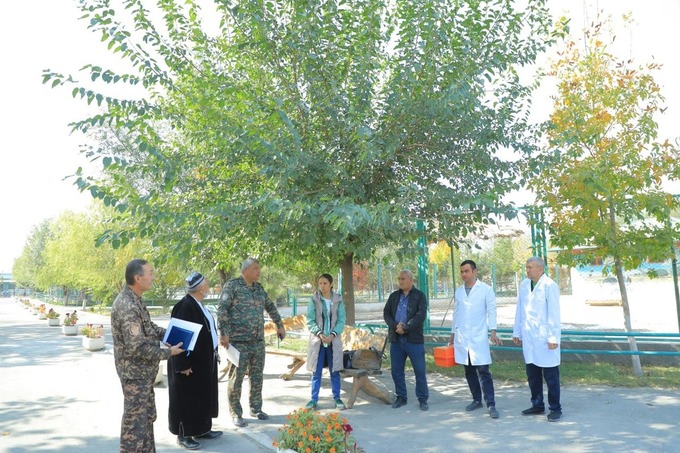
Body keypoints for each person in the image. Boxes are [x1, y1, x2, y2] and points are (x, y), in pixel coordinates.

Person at [111, 259, 185, 453]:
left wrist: (170, 335)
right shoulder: (127, 305)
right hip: (135, 375)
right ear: (138, 277)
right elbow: (137, 348)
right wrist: (168, 352)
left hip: (142, 374)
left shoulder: (136, 299)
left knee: (145, 419)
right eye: (150, 273)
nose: (153, 277)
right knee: (134, 427)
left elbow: (149, 328)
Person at [217, 257, 286, 427]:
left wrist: (279, 325)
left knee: (257, 377)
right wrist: (223, 333)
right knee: (236, 379)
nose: (258, 271)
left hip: (257, 341)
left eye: (259, 268)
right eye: (255, 268)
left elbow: (270, 307)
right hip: (238, 342)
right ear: (245, 270)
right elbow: (222, 310)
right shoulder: (232, 286)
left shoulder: (259, 289)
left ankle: (256, 408)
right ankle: (236, 413)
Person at [168, 272, 223, 450]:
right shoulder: (184, 307)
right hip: (188, 364)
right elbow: (177, 339)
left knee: (202, 397)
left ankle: (201, 428)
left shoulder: (199, 305)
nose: (209, 286)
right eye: (207, 283)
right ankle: (183, 434)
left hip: (203, 362)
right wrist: (182, 365)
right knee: (186, 399)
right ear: (201, 288)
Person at [449, 260, 502, 419]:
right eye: (462, 272)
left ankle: (491, 404)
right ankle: (476, 399)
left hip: (479, 337)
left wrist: (493, 331)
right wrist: (452, 335)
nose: (464, 274)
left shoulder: (485, 290)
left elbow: (492, 311)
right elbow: (456, 314)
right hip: (462, 337)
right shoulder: (459, 291)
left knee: (484, 371)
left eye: (466, 271)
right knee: (468, 370)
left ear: (475, 272)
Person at [512, 257, 563, 422]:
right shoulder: (524, 285)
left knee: (550, 375)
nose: (527, 270)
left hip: (545, 337)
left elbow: (554, 313)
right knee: (532, 374)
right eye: (526, 267)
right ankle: (537, 404)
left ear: (540, 269)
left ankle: (555, 408)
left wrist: (553, 337)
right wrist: (517, 332)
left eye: (530, 267)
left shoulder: (549, 286)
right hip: (529, 336)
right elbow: (520, 309)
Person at [383, 269, 430, 411]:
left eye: (403, 279)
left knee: (419, 370)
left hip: (413, 340)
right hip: (396, 339)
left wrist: (406, 327)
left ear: (411, 280)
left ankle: (422, 399)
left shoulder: (419, 296)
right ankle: (401, 397)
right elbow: (386, 314)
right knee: (396, 371)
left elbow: (420, 315)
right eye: (399, 279)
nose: (400, 281)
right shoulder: (394, 296)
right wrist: (395, 325)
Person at [305, 273, 347, 411]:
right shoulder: (314, 299)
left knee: (334, 370)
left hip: (333, 341)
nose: (322, 286)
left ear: (331, 285)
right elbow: (310, 319)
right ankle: (313, 399)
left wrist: (333, 334)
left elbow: (341, 320)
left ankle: (337, 398)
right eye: (320, 283)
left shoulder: (338, 300)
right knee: (316, 371)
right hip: (318, 341)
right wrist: (320, 334)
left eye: (325, 283)